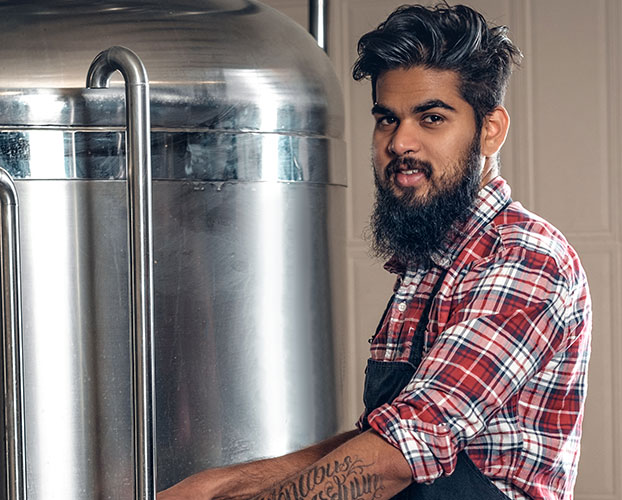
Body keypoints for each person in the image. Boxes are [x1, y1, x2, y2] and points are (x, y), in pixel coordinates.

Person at [158, 3, 592, 499]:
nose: (400, 141)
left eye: (431, 118)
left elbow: (400, 453)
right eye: (387, 119)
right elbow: (378, 437)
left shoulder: (522, 260)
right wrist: (222, 486)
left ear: (490, 129)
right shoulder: (430, 263)